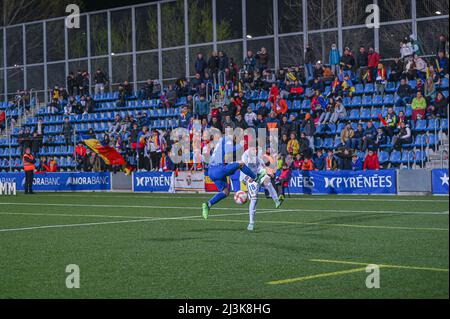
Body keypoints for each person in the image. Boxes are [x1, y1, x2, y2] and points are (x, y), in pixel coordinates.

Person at [201, 135, 267, 219]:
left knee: (225, 192)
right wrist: (240, 145)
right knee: (241, 164)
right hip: (219, 169)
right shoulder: (227, 138)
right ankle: (255, 177)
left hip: (211, 171)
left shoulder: (219, 143)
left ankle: (208, 204)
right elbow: (229, 150)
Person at [240, 146, 283, 231]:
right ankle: (251, 223)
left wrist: (269, 172)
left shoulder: (258, 158)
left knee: (268, 182)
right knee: (254, 200)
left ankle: (276, 200)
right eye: (253, 149)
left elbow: (263, 168)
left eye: (255, 149)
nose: (255, 150)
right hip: (250, 179)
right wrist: (247, 178)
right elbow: (241, 170)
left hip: (258, 175)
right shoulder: (245, 158)